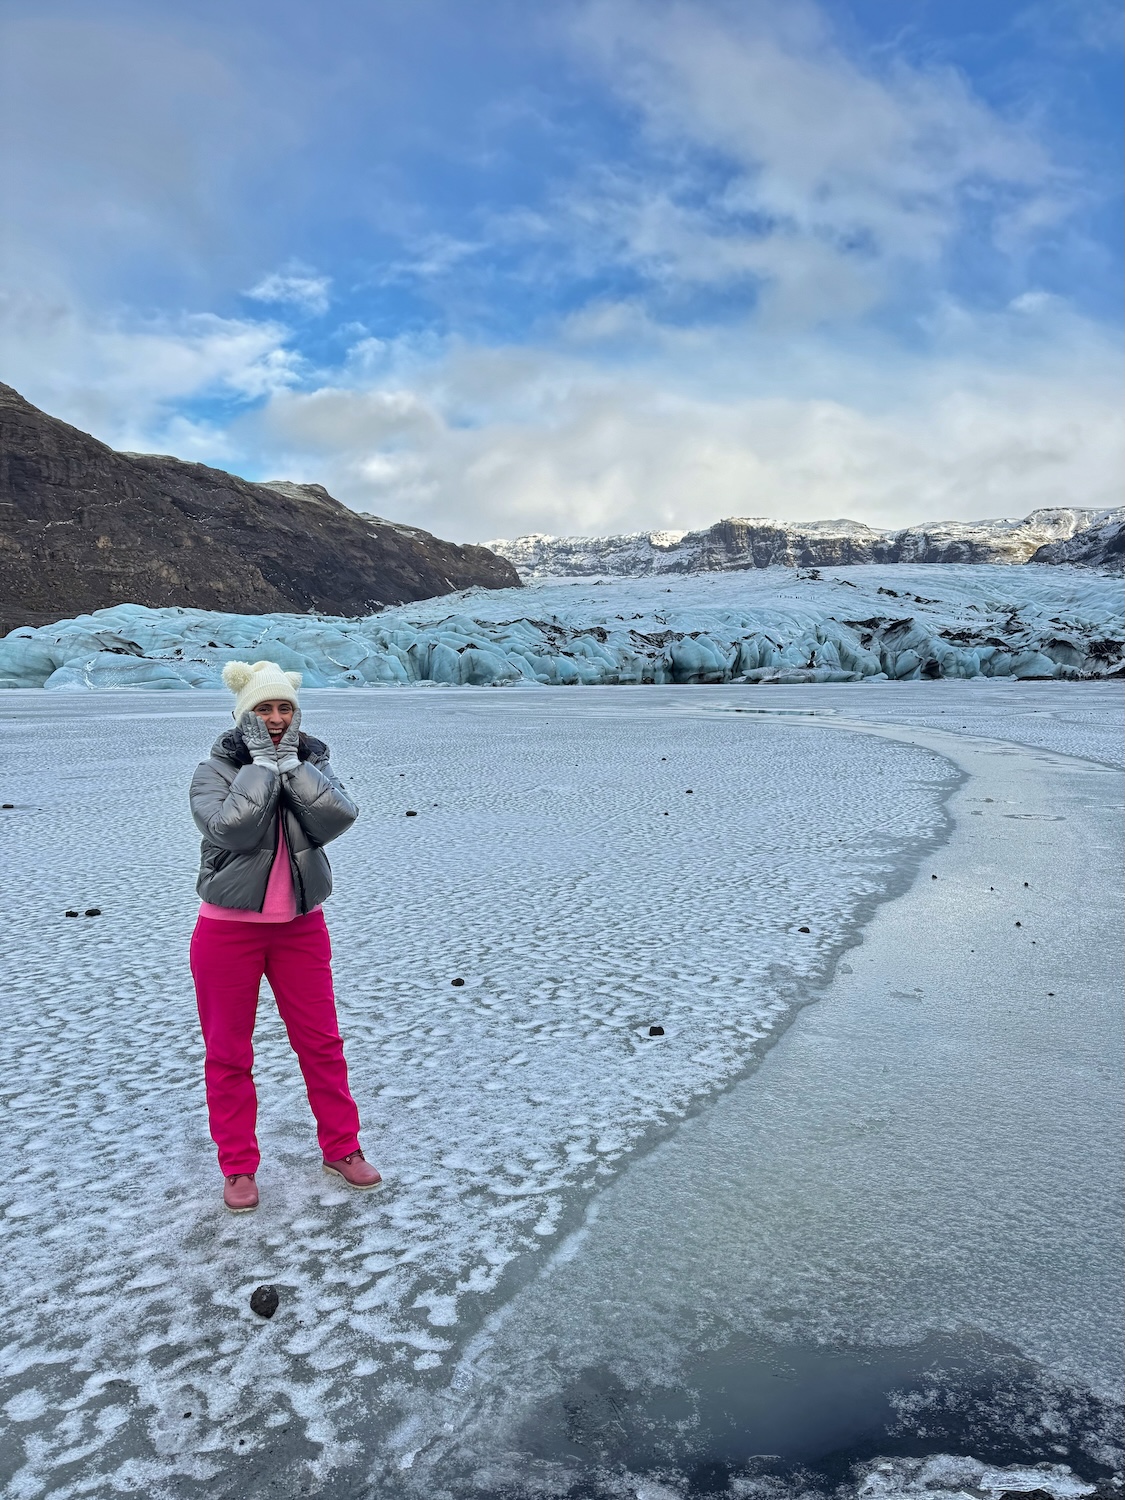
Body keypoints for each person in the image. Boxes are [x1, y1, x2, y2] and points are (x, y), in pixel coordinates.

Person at [188, 659, 380, 1212]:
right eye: (263, 709)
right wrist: (261, 766)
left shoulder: (314, 765)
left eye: (284, 708)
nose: (275, 718)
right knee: (228, 1053)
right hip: (226, 934)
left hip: (300, 929)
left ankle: (342, 1147)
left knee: (321, 1044)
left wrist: (293, 767)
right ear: (244, 714)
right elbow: (233, 828)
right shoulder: (213, 773)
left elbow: (335, 819)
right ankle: (239, 1166)